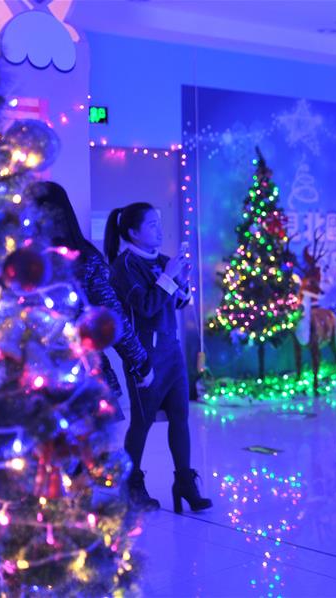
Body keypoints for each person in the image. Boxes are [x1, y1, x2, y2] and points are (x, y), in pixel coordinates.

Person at [104, 202, 211, 513]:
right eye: (152, 224)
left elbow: (173, 304)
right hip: (144, 357)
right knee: (143, 421)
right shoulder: (123, 267)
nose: (159, 230)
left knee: (181, 417)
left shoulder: (165, 261)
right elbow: (146, 307)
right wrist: (168, 277)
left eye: (159, 222)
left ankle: (185, 482)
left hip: (172, 352)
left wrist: (182, 285)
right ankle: (132, 484)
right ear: (133, 232)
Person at [26, 181, 155, 418]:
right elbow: (112, 318)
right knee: (95, 451)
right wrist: (141, 362)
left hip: (29, 380)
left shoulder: (20, 261)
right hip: (83, 375)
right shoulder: (84, 257)